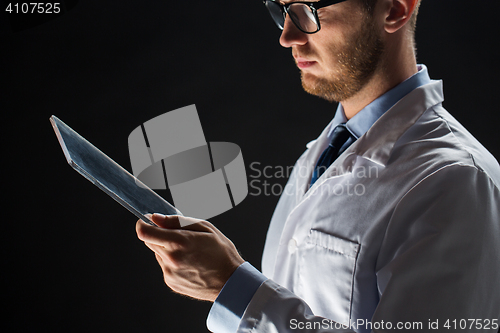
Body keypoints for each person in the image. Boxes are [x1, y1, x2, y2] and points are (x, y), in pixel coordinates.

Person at [136, 0, 500, 332]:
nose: (287, 36)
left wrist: (234, 289)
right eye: (281, 9)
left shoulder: (456, 180)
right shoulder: (328, 150)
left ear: (394, 9)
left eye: (308, 10)